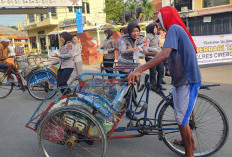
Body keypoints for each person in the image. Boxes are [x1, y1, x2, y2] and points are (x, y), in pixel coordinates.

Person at [127, 6, 201, 157]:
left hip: (186, 80)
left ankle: (189, 153)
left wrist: (140, 69)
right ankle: (190, 142)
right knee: (183, 115)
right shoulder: (175, 30)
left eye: (159, 21)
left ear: (165, 17)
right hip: (182, 79)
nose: (158, 25)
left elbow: (165, 54)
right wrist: (147, 53)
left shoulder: (174, 28)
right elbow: (165, 52)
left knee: (181, 119)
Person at [118, 22, 145, 120]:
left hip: (134, 65)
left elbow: (144, 47)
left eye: (137, 31)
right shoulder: (122, 39)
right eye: (133, 31)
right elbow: (122, 51)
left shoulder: (140, 38)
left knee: (132, 85)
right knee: (127, 86)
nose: (135, 33)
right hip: (124, 66)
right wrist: (132, 50)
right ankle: (128, 110)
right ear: (129, 31)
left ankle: (132, 101)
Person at [144, 23, 166, 92]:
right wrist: (155, 50)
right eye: (154, 28)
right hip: (150, 57)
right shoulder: (147, 37)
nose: (156, 29)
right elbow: (145, 48)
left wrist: (161, 51)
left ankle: (159, 84)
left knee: (161, 70)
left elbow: (159, 46)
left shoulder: (156, 37)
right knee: (153, 72)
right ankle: (153, 85)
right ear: (151, 29)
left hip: (158, 57)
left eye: (156, 28)